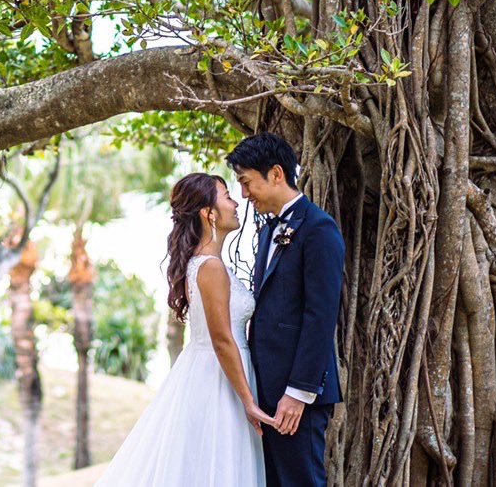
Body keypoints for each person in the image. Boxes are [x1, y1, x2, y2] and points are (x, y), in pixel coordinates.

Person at [97, 173, 269, 486]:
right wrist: (248, 401)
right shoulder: (211, 267)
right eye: (227, 196)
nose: (236, 202)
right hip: (220, 381)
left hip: (210, 372)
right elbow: (221, 340)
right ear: (209, 213)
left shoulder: (206, 263)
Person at [228, 132, 345, 487]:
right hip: (267, 389)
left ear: (276, 174)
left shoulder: (319, 229)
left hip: (297, 395)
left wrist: (298, 393)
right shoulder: (267, 232)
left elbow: (320, 317)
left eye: (247, 183)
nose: (244, 195)